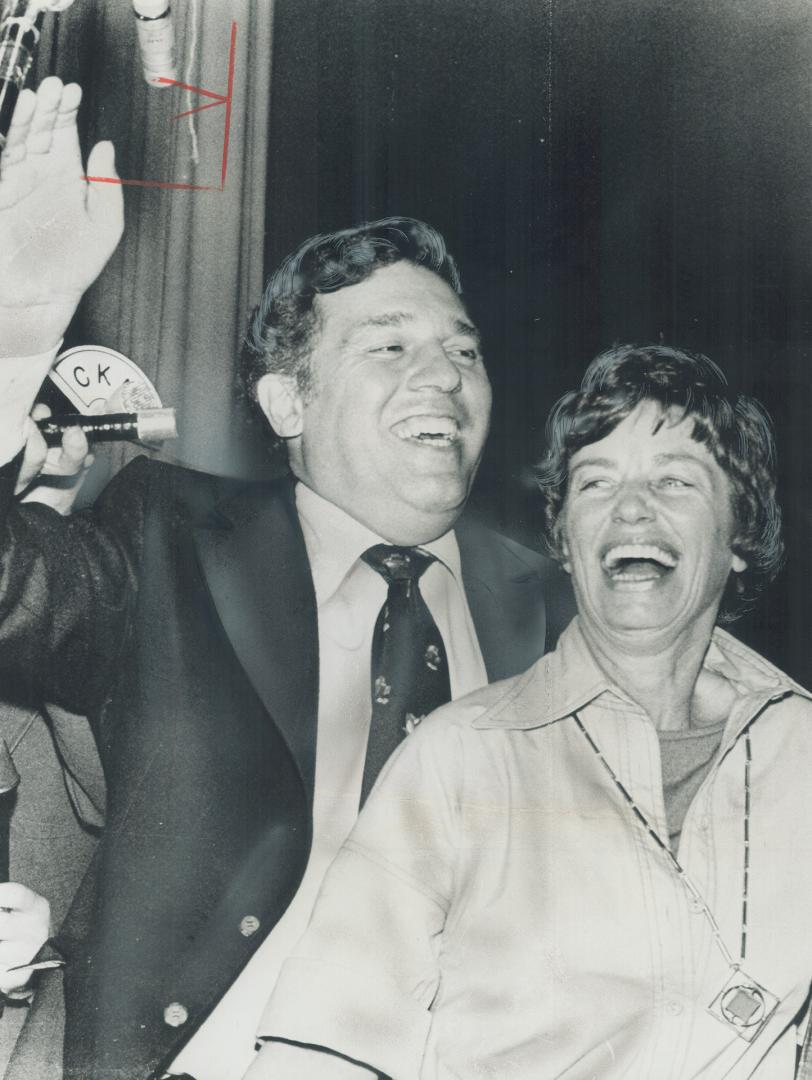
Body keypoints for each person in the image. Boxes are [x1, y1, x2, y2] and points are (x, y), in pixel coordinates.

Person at [0, 79, 572, 1080]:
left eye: (461, 352)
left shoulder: (561, 609)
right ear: (285, 401)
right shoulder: (169, 535)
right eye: (389, 345)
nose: (443, 374)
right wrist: (14, 333)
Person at [246, 344, 812, 1080]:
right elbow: (322, 1050)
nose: (631, 508)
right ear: (567, 545)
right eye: (595, 483)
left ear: (740, 535)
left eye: (675, 480)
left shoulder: (800, 751)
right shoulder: (459, 758)